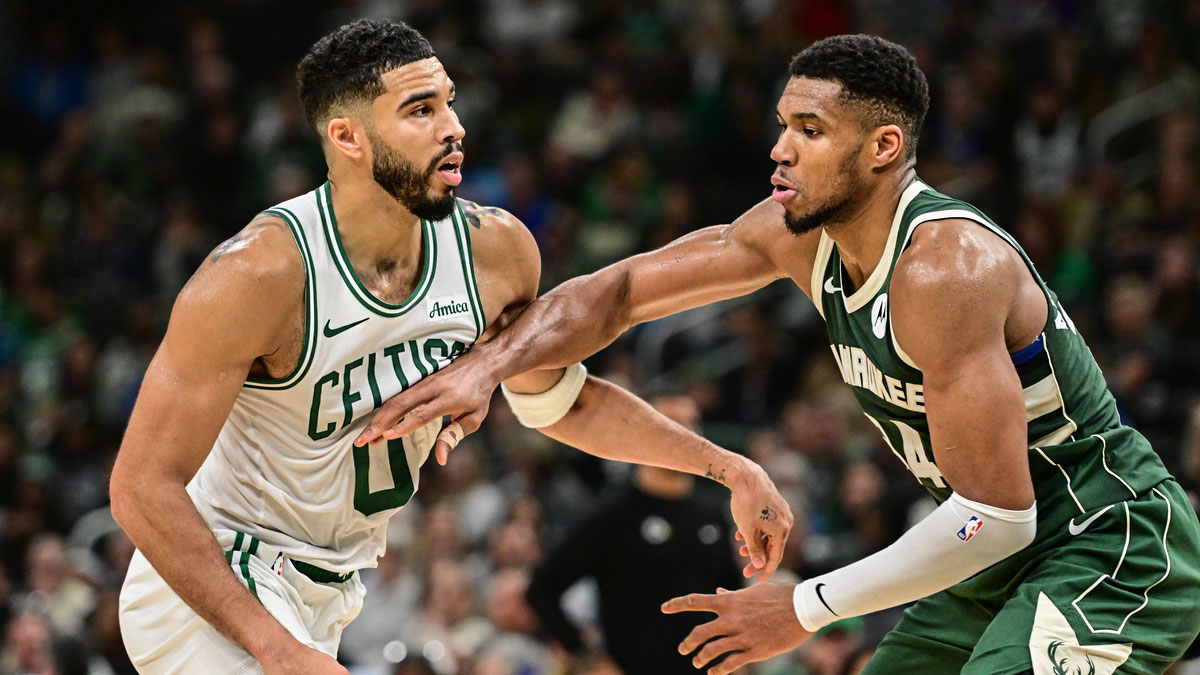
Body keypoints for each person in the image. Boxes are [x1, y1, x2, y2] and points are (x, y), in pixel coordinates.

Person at [357, 34, 1200, 675]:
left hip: (1103, 539)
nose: (779, 150)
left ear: (882, 149)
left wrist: (804, 606)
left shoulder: (947, 267)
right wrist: (485, 369)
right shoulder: (794, 236)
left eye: (809, 129)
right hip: (993, 557)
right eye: (781, 126)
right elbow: (615, 294)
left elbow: (998, 513)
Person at [108, 19, 791, 675]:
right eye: (421, 110)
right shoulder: (259, 275)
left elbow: (565, 403)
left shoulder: (493, 252)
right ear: (348, 136)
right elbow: (141, 487)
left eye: (450, 104)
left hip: (331, 589)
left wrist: (726, 467)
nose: (454, 127)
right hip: (219, 579)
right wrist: (274, 644)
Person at [525, 393, 743, 675]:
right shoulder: (612, 514)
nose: (686, 436)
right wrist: (588, 657)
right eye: (672, 425)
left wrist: (738, 657)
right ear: (642, 433)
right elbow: (542, 588)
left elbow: (732, 594)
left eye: (691, 424)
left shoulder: (712, 512)